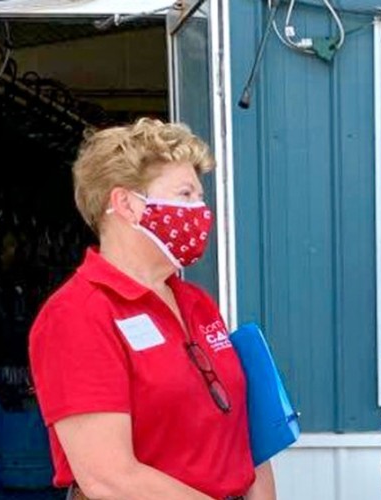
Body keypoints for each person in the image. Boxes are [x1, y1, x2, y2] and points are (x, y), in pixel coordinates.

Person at [29, 119, 276, 500]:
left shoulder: (198, 304)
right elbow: (110, 478)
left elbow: (243, 430)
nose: (201, 211)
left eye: (200, 197)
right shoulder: (77, 316)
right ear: (125, 204)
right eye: (185, 195)